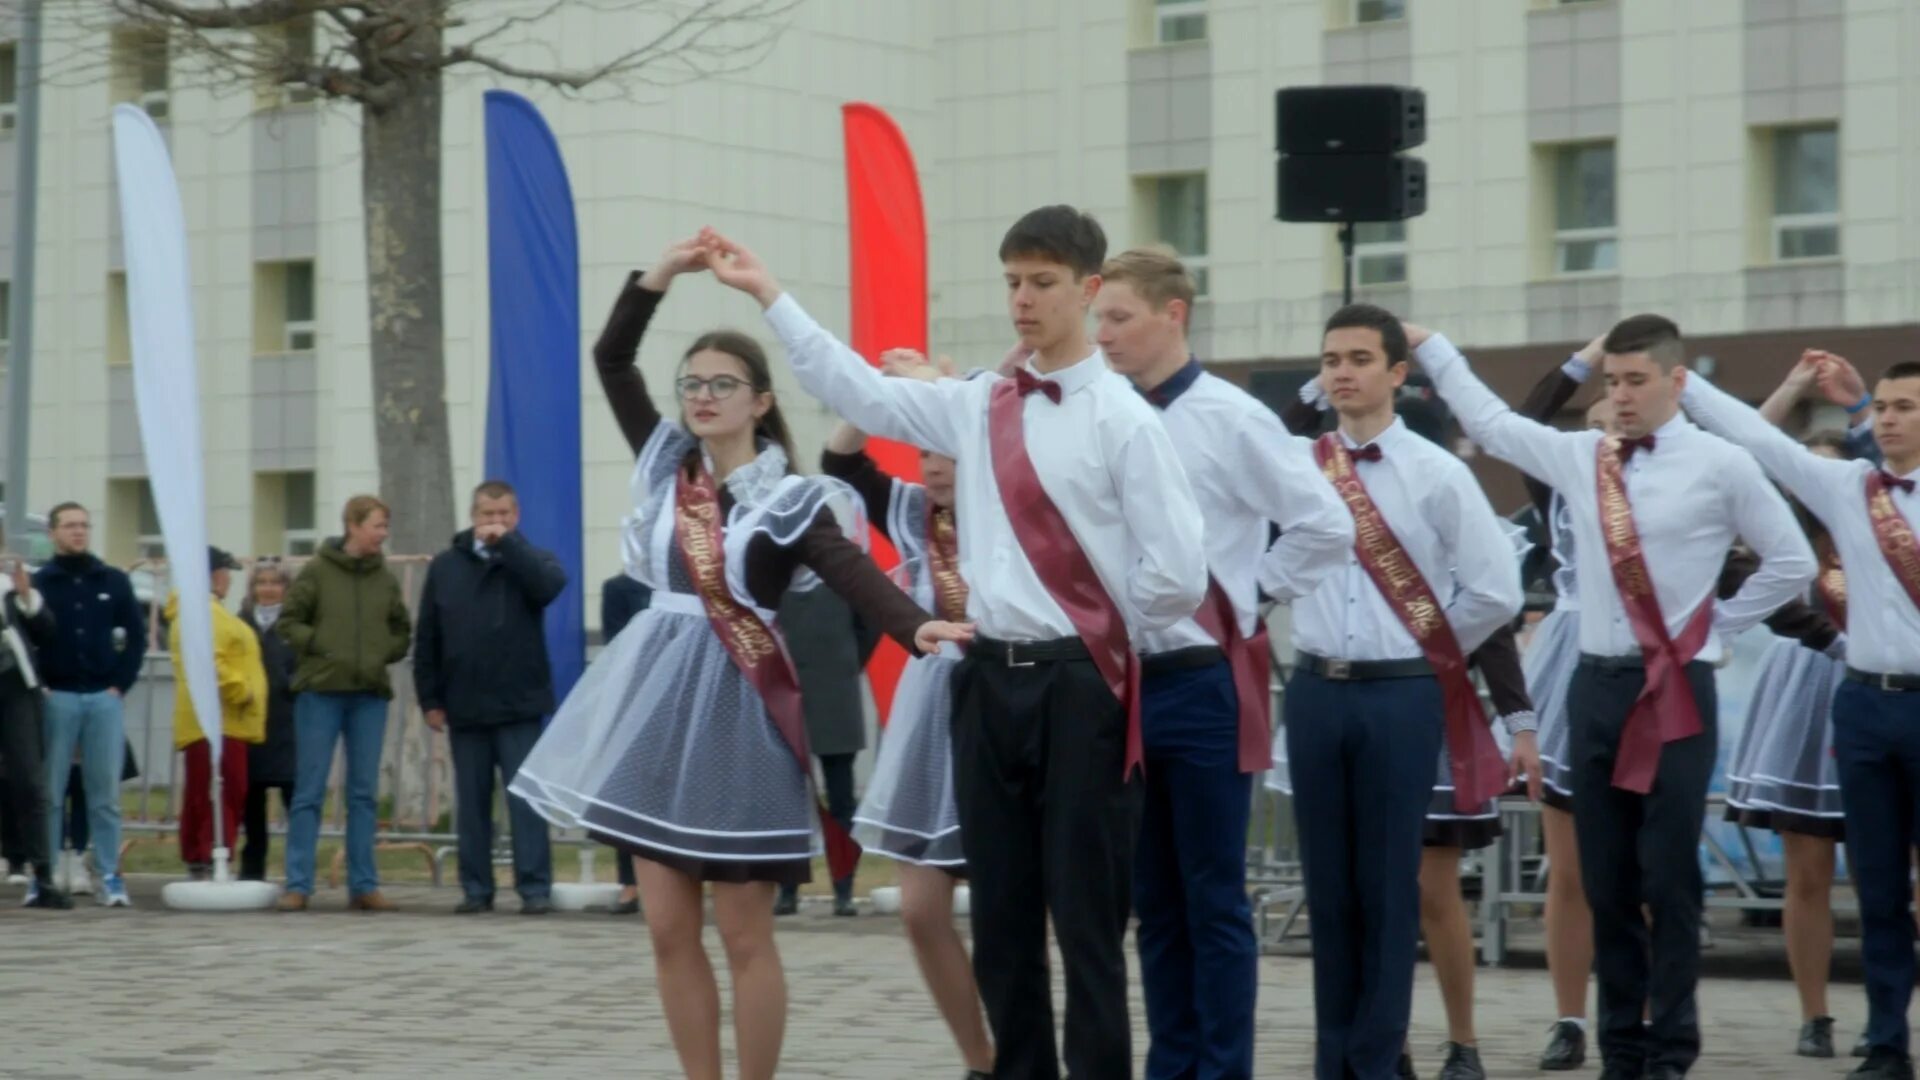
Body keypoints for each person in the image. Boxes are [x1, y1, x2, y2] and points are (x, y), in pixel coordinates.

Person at [710, 208, 1208, 1080]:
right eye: (1013, 280)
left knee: (1086, 922)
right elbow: (860, 392)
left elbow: (1177, 576)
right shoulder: (980, 403)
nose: (1022, 299)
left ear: (1089, 292)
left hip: (1079, 685)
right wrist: (771, 295)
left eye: (1042, 282)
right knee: (1003, 919)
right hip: (985, 682)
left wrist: (1095, 633)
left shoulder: (1125, 421)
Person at [506, 240, 967, 1080]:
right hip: (654, 706)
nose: (703, 396)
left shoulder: (790, 498)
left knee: (745, 934)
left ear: (759, 401)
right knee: (667, 929)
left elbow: (849, 567)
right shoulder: (665, 466)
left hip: (742, 713)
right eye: (693, 383)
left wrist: (916, 628)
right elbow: (611, 358)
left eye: (722, 384)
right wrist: (657, 277)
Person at [1411, 315, 1815, 1080]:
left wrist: (1714, 626)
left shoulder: (1721, 463)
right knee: (1605, 878)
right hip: (1592, 682)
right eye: (1612, 382)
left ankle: (1672, 1045)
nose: (1621, 396)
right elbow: (1493, 425)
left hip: (1673, 688)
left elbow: (1791, 559)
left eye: (1636, 381)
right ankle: (1620, 1046)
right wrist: (1433, 346)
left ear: (1676, 381)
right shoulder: (1580, 456)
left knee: (1668, 876)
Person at [1094, 248, 1353, 1080]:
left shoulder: (1233, 418)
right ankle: (1171, 1065)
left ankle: (1222, 1068)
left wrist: (1249, 599)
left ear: (1174, 314)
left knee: (1212, 894)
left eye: (1119, 317)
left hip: (1202, 678)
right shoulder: (1099, 410)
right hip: (1120, 681)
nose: (1104, 335)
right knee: (1152, 901)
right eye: (1098, 318)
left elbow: (1323, 526)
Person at [1679, 351, 1920, 1080]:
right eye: (1880, 406)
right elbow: (1759, 446)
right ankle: (1885, 1044)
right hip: (1865, 704)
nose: (1889, 418)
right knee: (1876, 887)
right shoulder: (1850, 487)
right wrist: (1678, 380)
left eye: (1904, 407)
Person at [823, 411, 993, 1080]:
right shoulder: (909, 510)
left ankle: (1025, 1051)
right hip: (933, 722)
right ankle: (980, 1060)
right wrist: (877, 395)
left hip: (1010, 710)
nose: (934, 465)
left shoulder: (1015, 501)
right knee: (922, 911)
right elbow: (840, 464)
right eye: (925, 449)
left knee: (1014, 914)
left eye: (948, 448)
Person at [414, 480, 567, 916]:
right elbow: (428, 636)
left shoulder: (531, 559)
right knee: (473, 805)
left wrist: (510, 548)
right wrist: (430, 700)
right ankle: (476, 889)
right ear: (473, 516)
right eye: (487, 515)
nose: (494, 524)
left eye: (503, 516)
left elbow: (549, 588)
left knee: (524, 803)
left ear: (515, 517)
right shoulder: (445, 566)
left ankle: (535, 889)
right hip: (465, 705)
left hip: (519, 705)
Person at [275, 495, 414, 913]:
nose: (383, 533)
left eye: (385, 526)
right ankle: (298, 883)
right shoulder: (316, 571)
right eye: (377, 525)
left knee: (364, 794)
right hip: (320, 693)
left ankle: (363, 884)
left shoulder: (385, 579)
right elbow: (289, 621)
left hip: (368, 694)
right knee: (309, 791)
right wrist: (320, 646)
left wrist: (381, 653)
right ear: (353, 526)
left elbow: (401, 629)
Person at [33, 501, 146, 908]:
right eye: (69, 526)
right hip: (56, 697)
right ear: (53, 533)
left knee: (104, 792)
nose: (78, 532)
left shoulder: (112, 580)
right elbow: (27, 636)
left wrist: (120, 683)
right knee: (49, 790)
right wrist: (41, 686)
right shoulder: (41, 582)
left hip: (103, 697)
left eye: (84, 525)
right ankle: (43, 874)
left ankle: (109, 874)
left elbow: (136, 635)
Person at [772, 584, 874, 918]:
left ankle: (843, 889)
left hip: (836, 696)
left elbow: (869, 624)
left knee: (841, 800)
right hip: (787, 696)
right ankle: (787, 890)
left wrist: (846, 661)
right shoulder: (774, 569)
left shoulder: (842, 570)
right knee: (789, 801)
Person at [166, 547, 267, 880]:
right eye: (227, 572)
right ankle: (207, 855)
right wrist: (244, 690)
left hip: (223, 721)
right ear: (213, 575)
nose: (230, 580)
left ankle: (205, 854)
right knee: (221, 791)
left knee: (212, 790)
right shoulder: (203, 613)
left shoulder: (206, 612)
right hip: (219, 719)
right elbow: (209, 662)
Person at [0, 541, 71, 909]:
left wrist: (27, 594)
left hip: (15, 687)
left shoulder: (11, 588)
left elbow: (46, 631)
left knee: (29, 780)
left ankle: (42, 876)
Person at [238, 559, 298, 883]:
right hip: (250, 724)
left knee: (295, 802)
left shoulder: (297, 624)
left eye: (276, 582)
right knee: (252, 806)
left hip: (288, 724)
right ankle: (252, 870)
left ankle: (298, 874)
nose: (268, 588)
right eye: (262, 582)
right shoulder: (240, 623)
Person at [599, 571, 651, 915]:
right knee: (630, 791)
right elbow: (619, 643)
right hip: (635, 696)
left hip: (688, 696)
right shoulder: (618, 587)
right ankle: (630, 882)